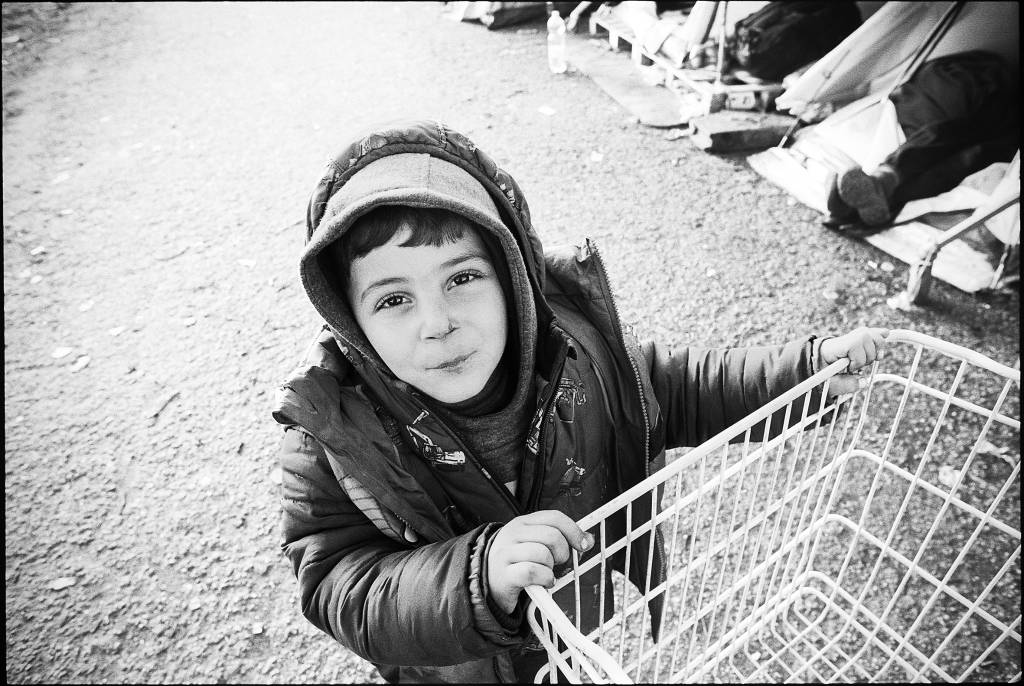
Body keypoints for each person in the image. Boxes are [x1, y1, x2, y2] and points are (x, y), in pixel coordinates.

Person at [272, 119, 887, 683]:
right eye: (392, 299)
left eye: (462, 278)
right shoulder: (332, 435)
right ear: (348, 318)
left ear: (513, 276)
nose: (437, 324)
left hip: (573, 622)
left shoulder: (577, 354)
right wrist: (474, 578)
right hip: (457, 663)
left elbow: (679, 386)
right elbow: (337, 582)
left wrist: (801, 376)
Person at [827, 50, 1020, 228]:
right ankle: (886, 187)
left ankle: (879, 188)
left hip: (962, 90)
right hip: (958, 87)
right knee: (956, 152)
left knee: (956, 149)